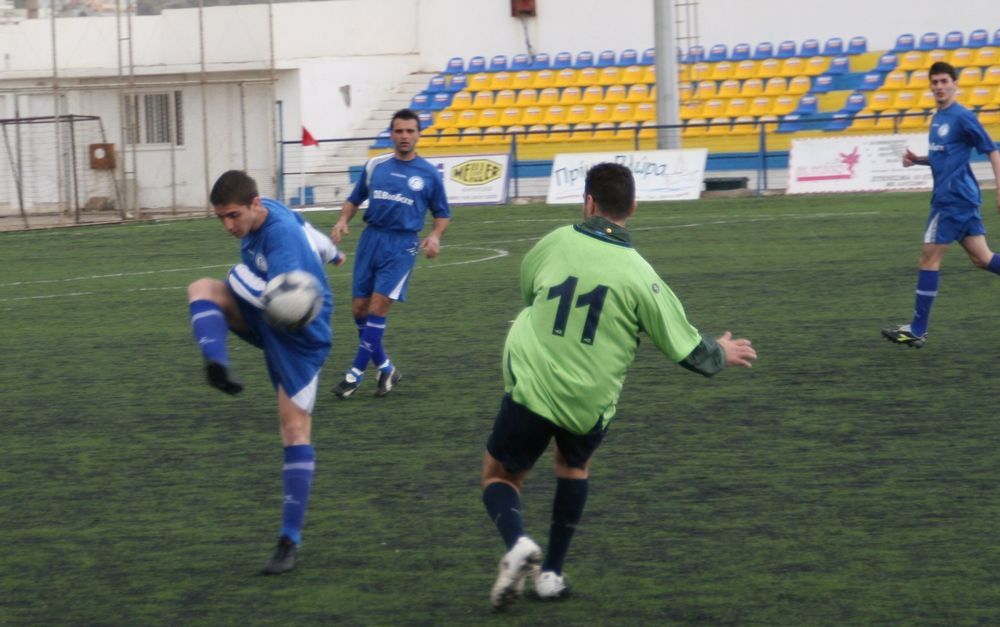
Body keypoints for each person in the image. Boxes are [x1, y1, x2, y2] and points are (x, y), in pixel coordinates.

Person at [479, 163, 757, 610]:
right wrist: (721, 351)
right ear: (633, 207)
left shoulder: (554, 242)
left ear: (588, 202)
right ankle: (551, 575)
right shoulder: (639, 273)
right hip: (590, 401)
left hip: (535, 386)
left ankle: (516, 545)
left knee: (499, 476)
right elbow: (686, 349)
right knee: (573, 467)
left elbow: (529, 291)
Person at [186, 170, 345, 574]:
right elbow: (312, 232)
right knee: (200, 289)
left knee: (293, 430)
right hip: (268, 315)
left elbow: (289, 296)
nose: (228, 226)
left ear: (255, 205)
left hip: (301, 336)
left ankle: (289, 540)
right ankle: (217, 364)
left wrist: (240, 281)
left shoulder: (281, 238)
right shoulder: (271, 210)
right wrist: (332, 252)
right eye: (220, 218)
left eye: (233, 216)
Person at [329, 108, 451, 398]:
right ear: (391, 134)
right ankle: (386, 369)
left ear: (418, 134)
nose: (405, 136)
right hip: (370, 240)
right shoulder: (376, 166)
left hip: (402, 246)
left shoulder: (429, 174)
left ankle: (353, 376)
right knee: (359, 310)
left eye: (410, 131)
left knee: (377, 308)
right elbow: (354, 199)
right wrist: (343, 220)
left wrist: (434, 235)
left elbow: (443, 213)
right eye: (399, 131)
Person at [882, 61, 1000, 348]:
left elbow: (992, 149)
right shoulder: (938, 117)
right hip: (963, 200)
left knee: (928, 259)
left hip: (952, 201)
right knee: (982, 259)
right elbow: (944, 156)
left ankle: (917, 330)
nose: (939, 87)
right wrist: (919, 159)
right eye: (935, 82)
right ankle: (917, 329)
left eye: (944, 81)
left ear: (955, 84)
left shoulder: (962, 117)